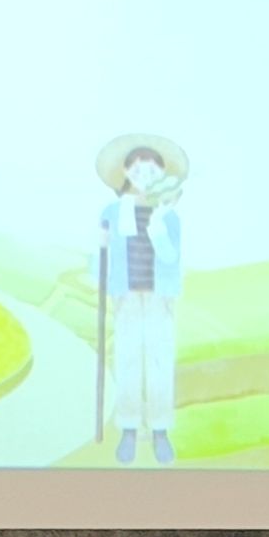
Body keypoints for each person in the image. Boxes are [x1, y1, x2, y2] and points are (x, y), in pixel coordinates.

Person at [95, 135, 188, 463]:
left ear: (161, 174)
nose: (144, 174)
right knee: (128, 360)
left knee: (160, 361)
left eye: (152, 169)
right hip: (127, 297)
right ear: (126, 171)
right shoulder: (112, 211)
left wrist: (158, 224)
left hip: (160, 298)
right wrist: (101, 250)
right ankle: (129, 429)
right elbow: (101, 259)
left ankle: (160, 430)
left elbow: (170, 257)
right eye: (137, 168)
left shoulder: (169, 216)